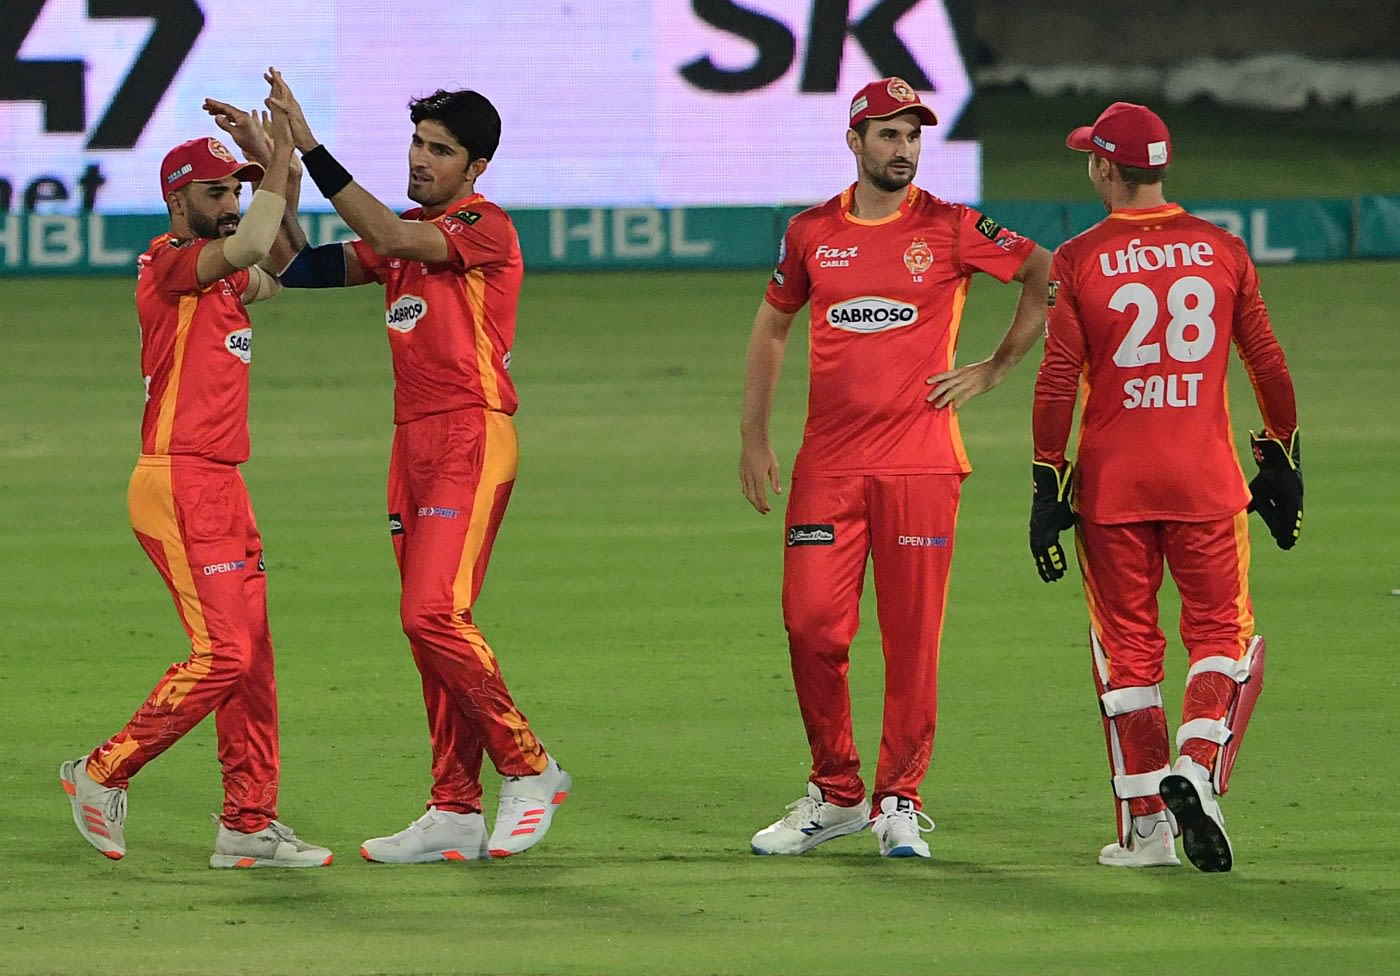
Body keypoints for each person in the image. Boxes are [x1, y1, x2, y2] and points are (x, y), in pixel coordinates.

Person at [260, 68, 571, 862]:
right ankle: (453, 809)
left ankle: (530, 769)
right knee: (432, 632)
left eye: (441, 150)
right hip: (412, 447)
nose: (423, 159)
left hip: (471, 437)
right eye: (418, 143)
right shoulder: (401, 238)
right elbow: (297, 266)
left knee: (431, 614)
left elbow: (396, 239)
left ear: (475, 168)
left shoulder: (482, 227)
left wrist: (316, 146)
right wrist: (278, 173)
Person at [740, 77, 1052, 858]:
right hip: (828, 469)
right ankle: (837, 792)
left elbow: (1048, 271)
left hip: (921, 468)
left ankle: (900, 799)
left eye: (913, 134)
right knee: (812, 629)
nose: (903, 148)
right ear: (855, 141)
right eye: (888, 134)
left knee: (912, 641)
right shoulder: (811, 231)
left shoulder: (950, 226)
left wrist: (997, 366)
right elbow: (773, 329)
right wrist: (754, 436)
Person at [59, 96, 334, 868]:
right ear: (177, 199)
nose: (231, 205)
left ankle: (248, 823)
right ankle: (100, 772)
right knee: (223, 655)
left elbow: (283, 255)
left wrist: (272, 162)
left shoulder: (222, 280)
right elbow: (253, 241)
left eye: (236, 191)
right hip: (177, 484)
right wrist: (277, 153)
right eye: (216, 192)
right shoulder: (172, 265)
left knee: (254, 660)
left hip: (222, 486)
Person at [1029, 101, 1301, 873]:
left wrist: (1047, 482)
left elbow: (1056, 382)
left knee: (1128, 654)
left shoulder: (1079, 256)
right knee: (1224, 637)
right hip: (1205, 480)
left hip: (1112, 486)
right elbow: (1268, 362)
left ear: (1104, 168)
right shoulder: (1222, 249)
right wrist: (1281, 458)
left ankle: (1147, 828)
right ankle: (1198, 767)